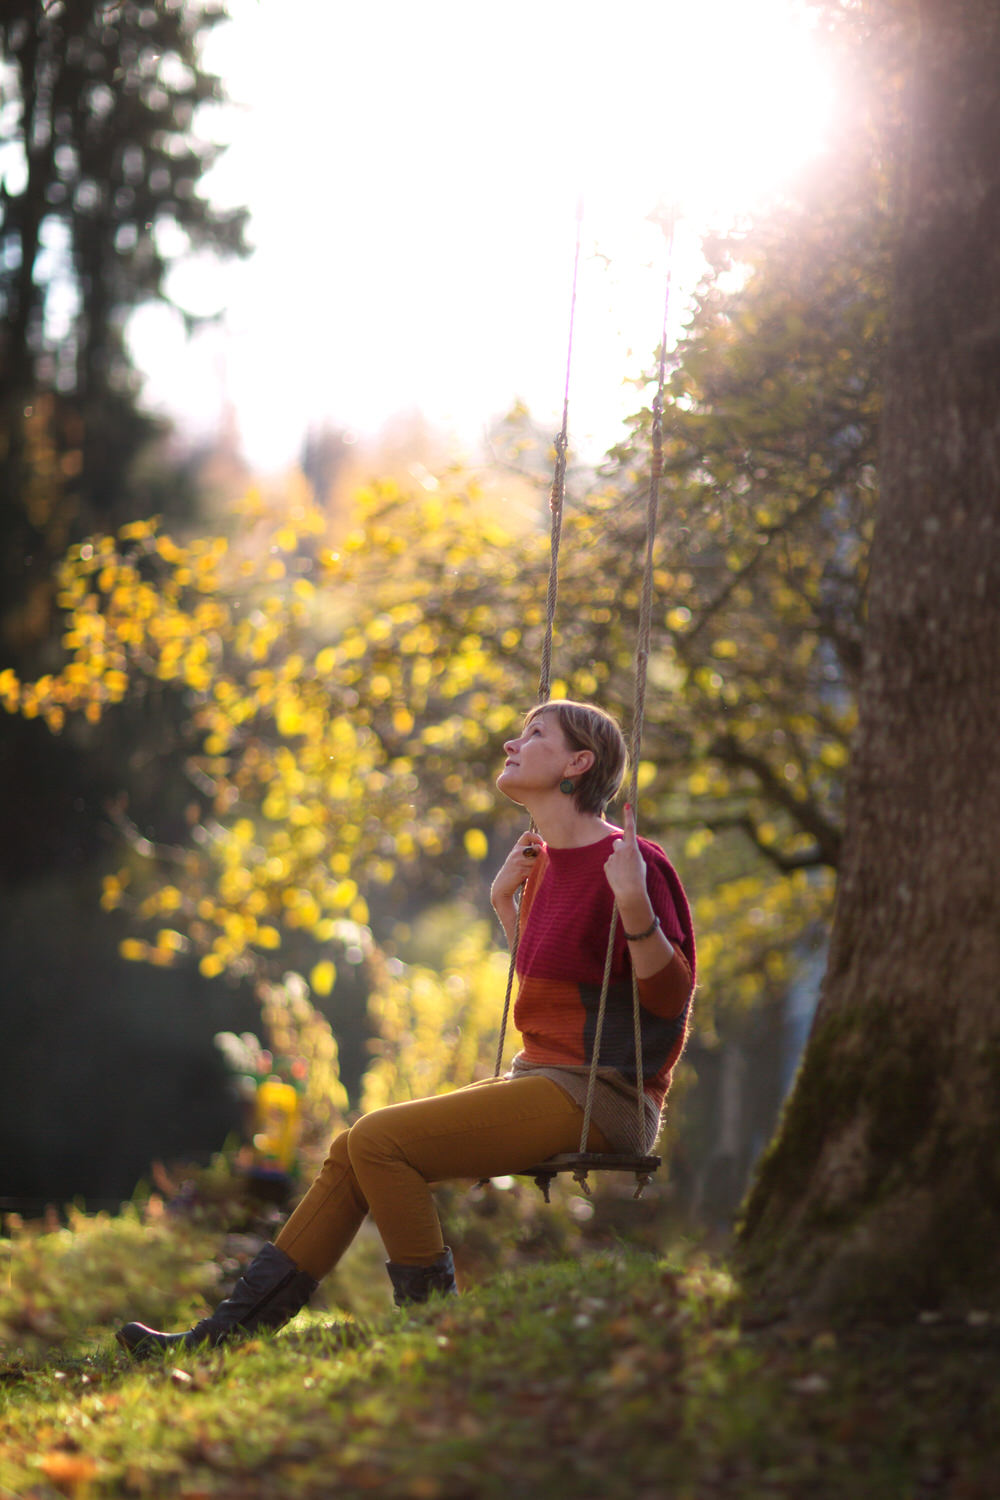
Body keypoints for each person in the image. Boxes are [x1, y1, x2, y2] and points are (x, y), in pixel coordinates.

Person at [117, 700, 695, 1357]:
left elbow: (668, 993)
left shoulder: (632, 861)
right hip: (547, 1082)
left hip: (605, 1098)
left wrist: (635, 904)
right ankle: (223, 1334)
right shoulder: (543, 865)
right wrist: (504, 905)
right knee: (350, 1151)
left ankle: (429, 1325)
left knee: (381, 1141)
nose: (511, 741)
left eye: (534, 734)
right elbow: (561, 987)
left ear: (577, 763)